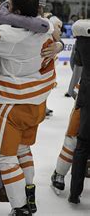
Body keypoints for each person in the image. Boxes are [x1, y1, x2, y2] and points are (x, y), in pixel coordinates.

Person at [0, 0, 56, 215]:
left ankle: (19, 207)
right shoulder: (46, 29)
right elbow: (53, 33)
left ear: (14, 9)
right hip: (36, 103)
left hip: (11, 105)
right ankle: (29, 192)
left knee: (4, 156)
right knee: (22, 149)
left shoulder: (9, 34)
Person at [68, 19, 90, 204]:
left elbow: (76, 62)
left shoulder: (82, 38)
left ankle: (74, 193)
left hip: (87, 96)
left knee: (82, 145)